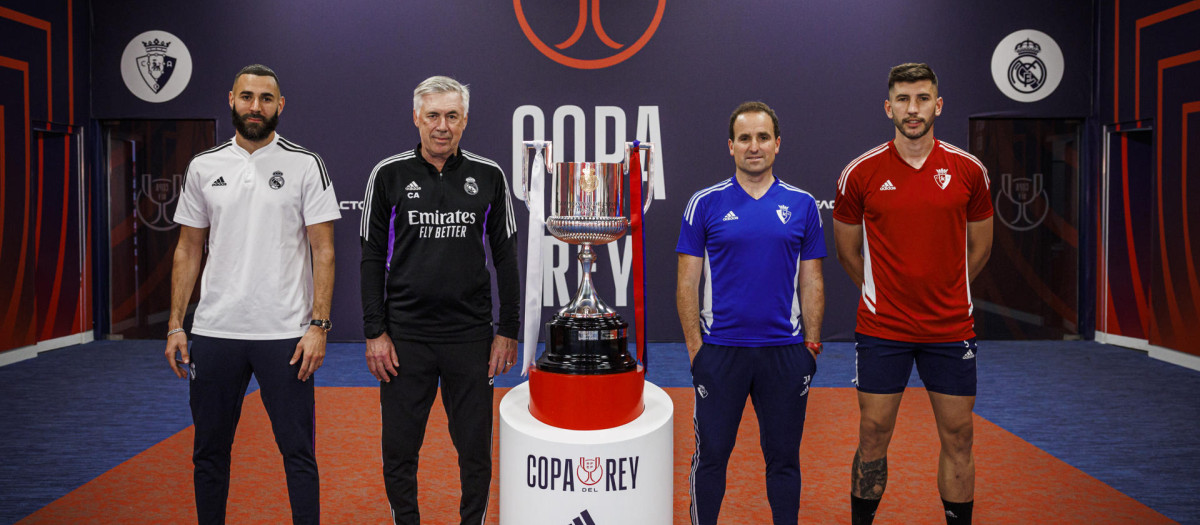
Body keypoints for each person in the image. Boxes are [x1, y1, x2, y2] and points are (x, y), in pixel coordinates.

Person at [165, 63, 340, 525]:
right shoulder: (204, 166)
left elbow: (323, 251)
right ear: (231, 100)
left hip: (285, 334)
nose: (255, 107)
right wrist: (175, 325)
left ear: (280, 106)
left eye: (266, 98)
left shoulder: (306, 164)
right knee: (209, 453)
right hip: (215, 331)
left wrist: (318, 326)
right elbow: (188, 249)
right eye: (247, 97)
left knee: (298, 453)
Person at [832, 63, 993, 525]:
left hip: (950, 326)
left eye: (922, 98)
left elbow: (980, 247)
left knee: (959, 435)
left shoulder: (969, 170)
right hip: (884, 328)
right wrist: (885, 295)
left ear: (938, 105)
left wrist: (947, 290)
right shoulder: (860, 173)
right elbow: (848, 252)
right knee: (874, 432)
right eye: (903, 99)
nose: (913, 108)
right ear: (888, 108)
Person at [359, 75, 519, 525]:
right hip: (404, 337)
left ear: (465, 121)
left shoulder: (489, 176)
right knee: (399, 450)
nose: (442, 126)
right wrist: (375, 332)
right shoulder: (387, 175)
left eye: (452, 116)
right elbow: (370, 258)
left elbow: (506, 257)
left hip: (470, 337)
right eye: (433, 115)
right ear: (417, 118)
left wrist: (508, 330)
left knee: (474, 451)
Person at [676, 101, 826, 525]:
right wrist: (695, 350)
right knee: (711, 459)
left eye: (763, 137)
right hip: (720, 353)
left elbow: (811, 281)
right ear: (731, 146)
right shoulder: (704, 204)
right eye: (745, 138)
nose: (754, 146)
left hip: (785, 353)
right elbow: (687, 282)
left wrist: (810, 347)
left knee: (784, 461)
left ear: (777, 144)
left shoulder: (801, 205)